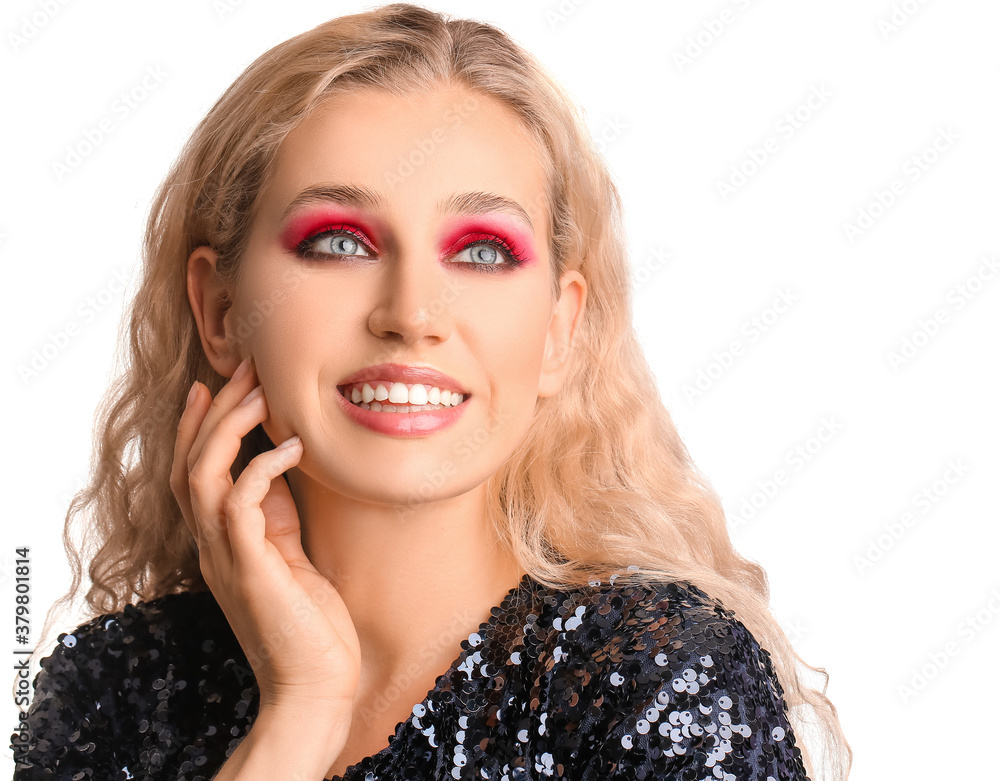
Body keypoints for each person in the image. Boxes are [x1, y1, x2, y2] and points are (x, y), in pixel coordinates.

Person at [11, 4, 851, 780]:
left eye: (481, 251)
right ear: (222, 311)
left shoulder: (651, 676)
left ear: (560, 331)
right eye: (339, 240)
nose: (412, 314)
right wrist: (300, 708)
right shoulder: (110, 686)